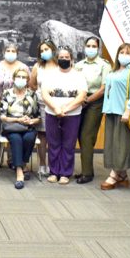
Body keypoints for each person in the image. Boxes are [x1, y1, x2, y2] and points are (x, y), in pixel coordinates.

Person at [41, 47, 88, 185]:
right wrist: (55, 108)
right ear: (57, 58)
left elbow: (82, 96)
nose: (64, 59)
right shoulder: (50, 74)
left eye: (67, 57)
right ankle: (54, 172)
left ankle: (65, 173)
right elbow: (44, 94)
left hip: (72, 115)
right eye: (61, 57)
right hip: (52, 113)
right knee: (54, 144)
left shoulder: (78, 75)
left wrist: (66, 109)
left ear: (71, 59)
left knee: (68, 144)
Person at [101, 43, 130, 190]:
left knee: (121, 144)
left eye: (128, 53)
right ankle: (123, 175)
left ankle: (114, 174)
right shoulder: (113, 71)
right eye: (121, 52)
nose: (124, 55)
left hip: (123, 113)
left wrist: (128, 110)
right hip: (112, 112)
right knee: (113, 144)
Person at [74, 36, 111, 184]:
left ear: (98, 48)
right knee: (79, 136)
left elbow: (103, 88)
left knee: (87, 136)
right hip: (79, 101)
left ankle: (87, 173)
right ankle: (86, 169)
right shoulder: (78, 65)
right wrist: (80, 100)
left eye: (93, 46)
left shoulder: (104, 65)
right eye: (88, 46)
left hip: (95, 102)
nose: (90, 48)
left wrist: (88, 100)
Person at [0, 67, 40, 188]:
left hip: (28, 127)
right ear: (14, 79)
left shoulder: (32, 94)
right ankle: (19, 171)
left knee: (29, 138)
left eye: (24, 77)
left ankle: (23, 163)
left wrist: (31, 121)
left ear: (27, 80)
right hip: (12, 126)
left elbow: (38, 117)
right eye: (18, 77)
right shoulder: (7, 93)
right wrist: (18, 119)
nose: (21, 79)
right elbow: (2, 116)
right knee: (16, 139)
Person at [0, 43, 28, 169]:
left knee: (14, 132)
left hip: (16, 105)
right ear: (3, 51)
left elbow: (27, 85)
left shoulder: (23, 67)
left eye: (13, 51)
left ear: (17, 53)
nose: (11, 52)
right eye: (8, 50)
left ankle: (13, 159)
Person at [29, 40, 58, 177]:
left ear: (53, 49)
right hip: (41, 105)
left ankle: (54, 164)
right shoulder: (37, 66)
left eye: (46, 49)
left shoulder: (60, 66)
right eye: (41, 50)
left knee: (55, 136)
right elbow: (32, 84)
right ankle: (42, 164)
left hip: (57, 105)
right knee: (42, 135)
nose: (44, 52)